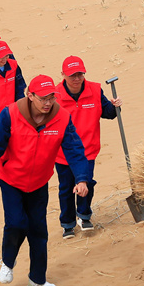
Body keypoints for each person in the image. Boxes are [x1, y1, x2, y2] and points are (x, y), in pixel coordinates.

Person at [0, 75, 92, 286]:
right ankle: (8, 262)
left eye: (51, 97)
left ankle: (37, 280)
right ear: (30, 96)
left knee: (39, 230)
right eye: (42, 98)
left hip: (39, 181)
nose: (48, 103)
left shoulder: (62, 117)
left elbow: (75, 150)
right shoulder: (10, 114)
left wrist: (81, 178)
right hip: (11, 179)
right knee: (17, 222)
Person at [53, 56, 122, 239]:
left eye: (80, 74)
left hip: (87, 149)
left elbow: (107, 113)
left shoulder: (95, 89)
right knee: (66, 187)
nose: (76, 79)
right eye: (72, 75)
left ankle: (84, 215)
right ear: (63, 75)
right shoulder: (55, 95)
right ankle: (67, 223)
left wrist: (115, 107)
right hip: (63, 153)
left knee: (87, 183)